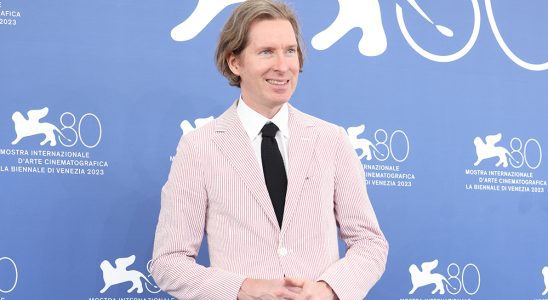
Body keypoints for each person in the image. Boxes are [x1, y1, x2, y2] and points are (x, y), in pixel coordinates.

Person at [151, 1, 388, 299]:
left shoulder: (331, 140)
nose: (283, 65)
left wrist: (328, 290)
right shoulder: (199, 147)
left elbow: (369, 242)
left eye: (290, 51)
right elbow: (169, 261)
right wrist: (242, 288)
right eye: (266, 52)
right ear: (235, 62)